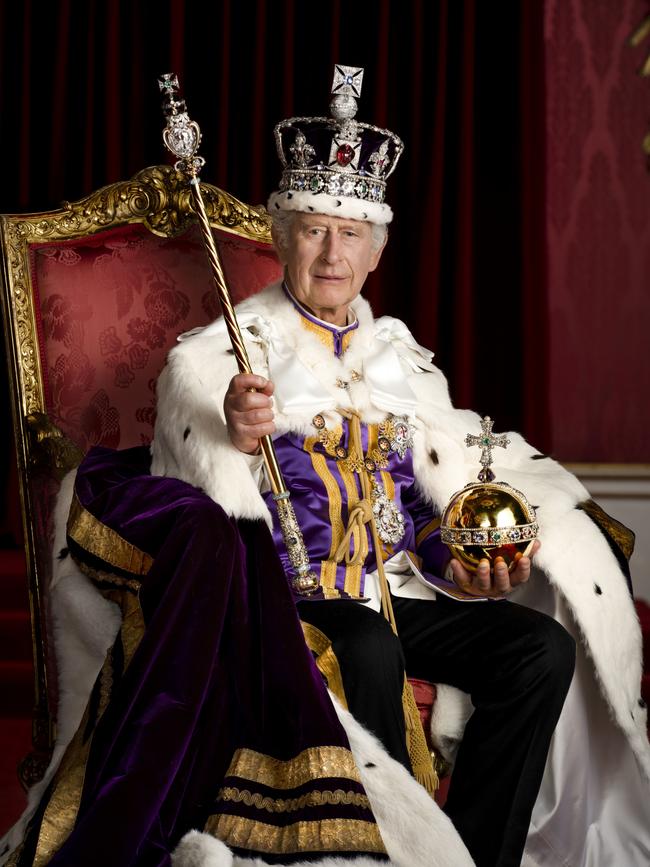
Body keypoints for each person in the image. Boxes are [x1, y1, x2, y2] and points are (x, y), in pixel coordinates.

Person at [2, 65, 649, 867]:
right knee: (370, 644)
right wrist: (231, 431)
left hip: (386, 590)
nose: (331, 251)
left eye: (349, 234)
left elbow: (418, 514)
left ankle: (472, 854)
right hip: (280, 602)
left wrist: (470, 565)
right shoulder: (217, 361)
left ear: (375, 251)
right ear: (281, 238)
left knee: (536, 650)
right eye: (313, 229)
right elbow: (184, 491)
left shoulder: (402, 364)